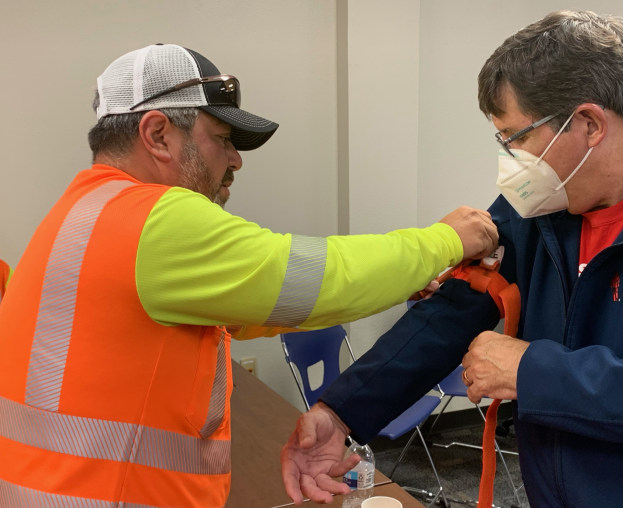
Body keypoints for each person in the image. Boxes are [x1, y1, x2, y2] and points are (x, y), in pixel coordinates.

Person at [281, 10, 623, 508]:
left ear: (590, 123)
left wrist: (531, 371)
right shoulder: (541, 205)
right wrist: (340, 412)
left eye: (516, 138)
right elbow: (453, 313)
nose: (512, 162)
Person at [0, 43, 498, 507]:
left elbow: (248, 305)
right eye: (221, 139)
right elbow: (315, 278)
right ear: (157, 135)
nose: (235, 159)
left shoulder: (85, 208)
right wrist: (445, 240)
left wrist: (399, 284)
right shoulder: (153, 219)